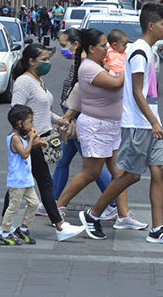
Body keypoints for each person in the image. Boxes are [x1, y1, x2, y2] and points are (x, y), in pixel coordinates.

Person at [79, 4, 163, 245]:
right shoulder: (139, 52)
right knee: (131, 175)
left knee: (159, 171)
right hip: (139, 124)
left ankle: (157, 229)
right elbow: (137, 92)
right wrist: (153, 122)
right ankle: (93, 215)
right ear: (151, 26)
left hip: (150, 122)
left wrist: (155, 121)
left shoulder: (147, 50)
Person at [56, 29, 147, 230]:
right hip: (96, 127)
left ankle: (123, 216)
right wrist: (130, 67)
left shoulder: (100, 65)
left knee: (119, 173)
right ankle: (58, 206)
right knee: (91, 172)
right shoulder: (88, 67)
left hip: (111, 127)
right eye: (103, 45)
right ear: (91, 48)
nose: (107, 48)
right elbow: (115, 84)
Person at [6, 43, 86, 241]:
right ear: (31, 61)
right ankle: (60, 226)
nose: (48, 63)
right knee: (45, 184)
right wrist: (29, 136)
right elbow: (17, 111)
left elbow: (41, 111)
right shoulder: (24, 82)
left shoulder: (38, 80)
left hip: (41, 137)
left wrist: (59, 120)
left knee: (20, 184)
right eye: (44, 59)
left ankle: (5, 227)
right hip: (32, 140)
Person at [52, 29, 114, 218]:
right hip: (72, 119)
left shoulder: (86, 66)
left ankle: (113, 203)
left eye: (64, 45)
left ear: (76, 44)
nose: (63, 50)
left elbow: (80, 95)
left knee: (92, 169)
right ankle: (53, 201)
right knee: (63, 162)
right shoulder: (80, 63)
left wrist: (66, 117)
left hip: (79, 120)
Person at [0, 105, 44, 246]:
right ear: (20, 123)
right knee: (14, 207)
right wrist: (31, 139)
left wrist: (38, 142)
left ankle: (23, 229)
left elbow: (26, 148)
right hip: (17, 180)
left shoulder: (21, 137)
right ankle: (4, 233)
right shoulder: (14, 138)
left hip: (26, 180)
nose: (32, 125)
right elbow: (24, 154)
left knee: (34, 203)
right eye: (30, 122)